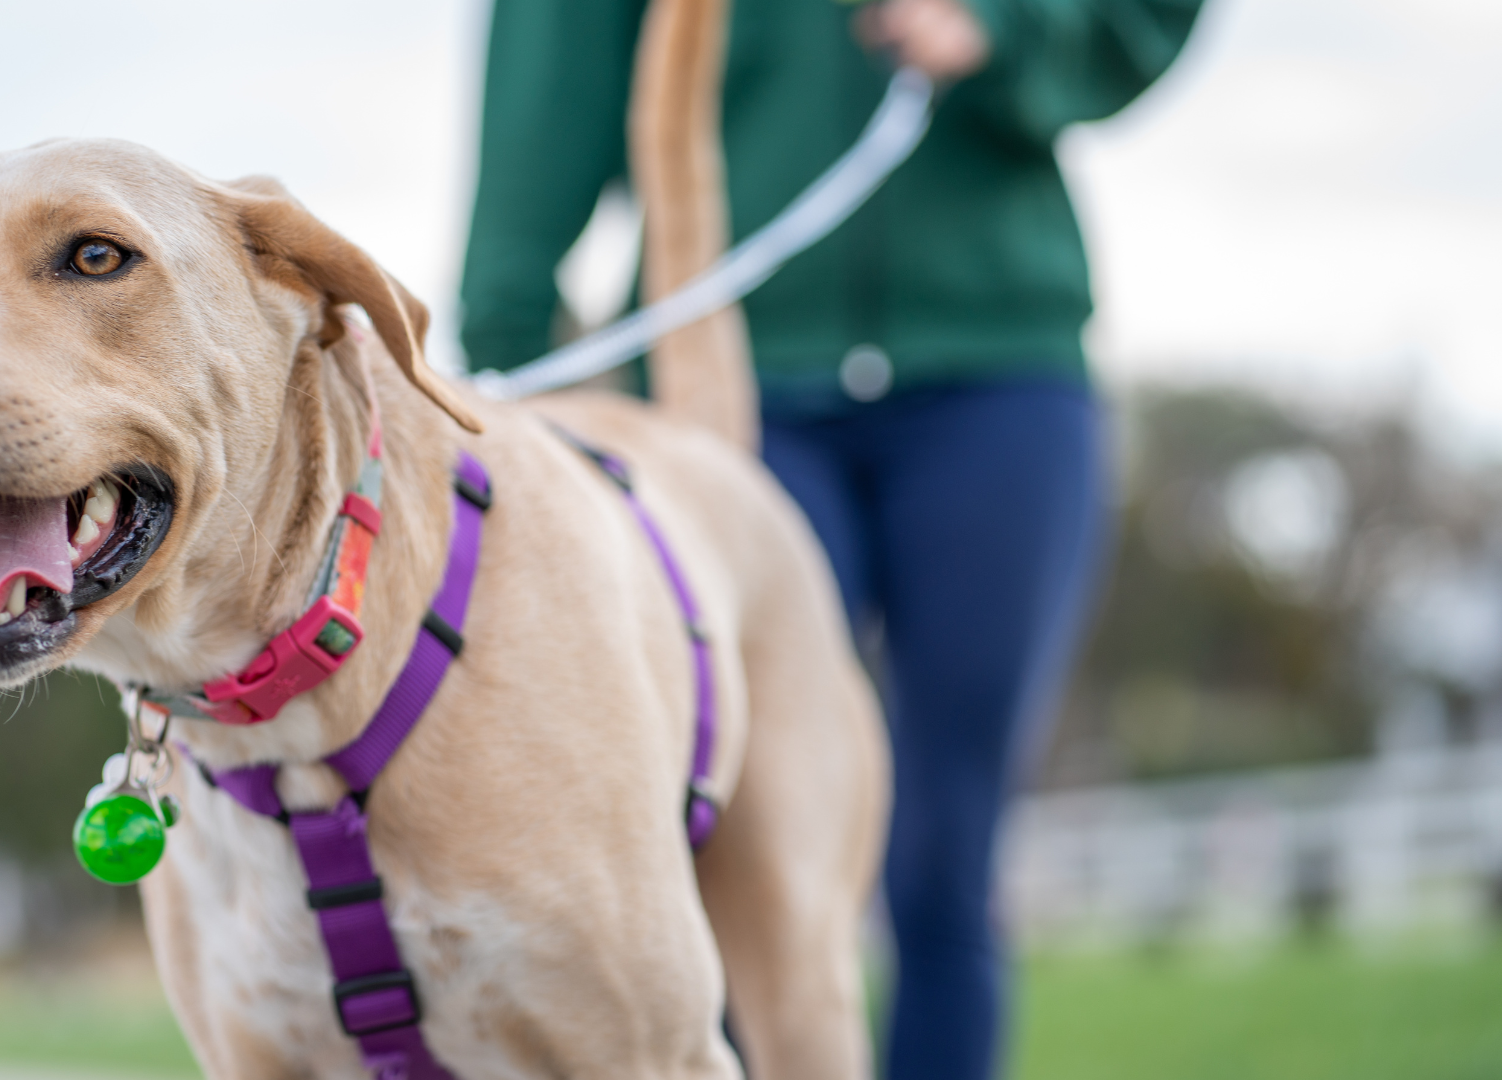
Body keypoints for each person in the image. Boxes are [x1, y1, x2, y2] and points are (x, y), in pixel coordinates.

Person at [458, 0, 1203, 1076]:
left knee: (949, 849)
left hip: (996, 376)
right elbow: (549, 78)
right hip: (723, 377)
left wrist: (1013, 28)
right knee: (716, 833)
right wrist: (507, 353)